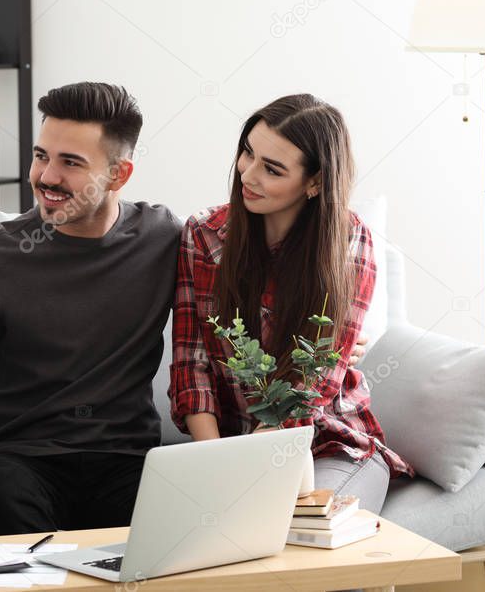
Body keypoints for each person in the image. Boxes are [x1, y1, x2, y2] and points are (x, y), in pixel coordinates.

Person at [0, 82, 182, 535]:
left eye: (70, 163)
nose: (46, 177)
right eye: (41, 156)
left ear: (118, 175)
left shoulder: (161, 237)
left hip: (126, 462)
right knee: (3, 497)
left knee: (173, 525)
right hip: (19, 460)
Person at [169, 94, 412, 514]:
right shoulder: (203, 236)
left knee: (303, 530)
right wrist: (213, 462)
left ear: (315, 182)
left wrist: (257, 467)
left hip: (329, 442)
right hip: (229, 445)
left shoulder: (349, 244)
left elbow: (315, 380)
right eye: (248, 152)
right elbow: (192, 366)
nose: (248, 173)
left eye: (273, 169)